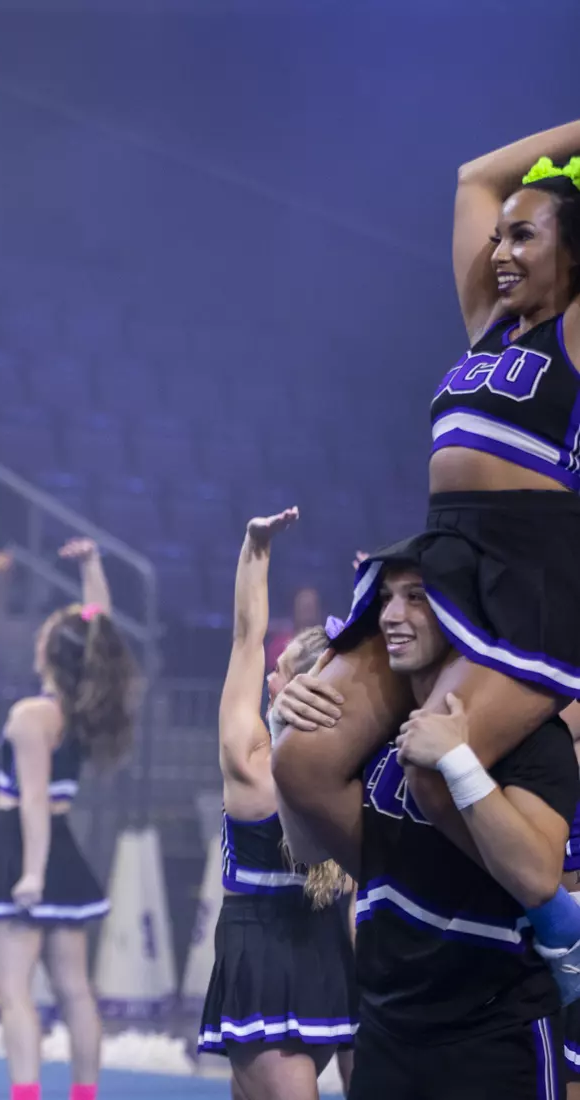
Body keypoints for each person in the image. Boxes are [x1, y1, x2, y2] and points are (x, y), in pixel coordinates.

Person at [272, 122, 580, 952]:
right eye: (499, 236)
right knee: (300, 763)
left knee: (432, 768)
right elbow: (475, 175)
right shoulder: (488, 326)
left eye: (525, 235)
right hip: (441, 560)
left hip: (530, 578)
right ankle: (415, 900)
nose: (502, 251)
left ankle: (561, 929)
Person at [274, 564, 578, 1099]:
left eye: (417, 597)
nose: (392, 615)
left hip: (490, 1036)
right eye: (387, 598)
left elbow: (535, 876)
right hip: (388, 1033)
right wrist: (287, 744)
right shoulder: (371, 731)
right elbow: (309, 850)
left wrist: (457, 764)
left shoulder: (535, 742)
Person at [0, 538, 138, 1100]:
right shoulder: (84, 709)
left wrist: (31, 875)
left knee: (14, 992)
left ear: (48, 653)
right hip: (57, 842)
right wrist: (92, 569)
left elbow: (33, 800)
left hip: (25, 844)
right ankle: (84, 1092)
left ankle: (27, 1093)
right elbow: (99, 632)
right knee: (75, 989)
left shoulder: (30, 716)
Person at [195, 510, 356, 1099]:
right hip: (280, 955)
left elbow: (246, 637)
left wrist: (256, 551)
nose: (268, 682)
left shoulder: (254, 759)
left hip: (308, 947)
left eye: (280, 674)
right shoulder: (350, 772)